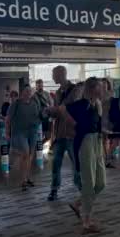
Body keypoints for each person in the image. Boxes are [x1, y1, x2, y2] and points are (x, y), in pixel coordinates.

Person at [63, 77, 107, 234]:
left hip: (97, 141)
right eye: (101, 88)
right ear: (93, 89)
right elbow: (64, 109)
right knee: (89, 182)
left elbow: (98, 124)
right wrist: (74, 125)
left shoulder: (98, 104)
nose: (104, 90)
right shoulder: (82, 104)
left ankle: (78, 204)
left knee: (101, 183)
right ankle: (86, 221)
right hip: (85, 142)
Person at [46, 65, 80, 201]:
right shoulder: (58, 92)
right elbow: (58, 112)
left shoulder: (76, 90)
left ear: (61, 74)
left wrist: (53, 109)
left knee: (76, 164)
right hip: (60, 135)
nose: (53, 77)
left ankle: (82, 188)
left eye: (54, 75)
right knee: (55, 164)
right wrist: (51, 112)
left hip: (72, 133)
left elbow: (66, 107)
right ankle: (54, 190)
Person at [6, 84, 41, 191]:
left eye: (29, 91)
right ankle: (23, 181)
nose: (28, 93)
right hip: (20, 132)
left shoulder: (34, 103)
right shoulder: (16, 104)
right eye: (26, 91)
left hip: (33, 132)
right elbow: (8, 119)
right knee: (25, 153)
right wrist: (7, 133)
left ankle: (27, 177)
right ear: (22, 92)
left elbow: (38, 116)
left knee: (30, 155)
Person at [33, 79, 53, 143]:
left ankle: (39, 146)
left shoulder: (46, 94)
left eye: (41, 86)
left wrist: (48, 110)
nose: (40, 87)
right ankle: (38, 149)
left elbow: (51, 104)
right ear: (36, 86)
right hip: (37, 118)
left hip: (46, 118)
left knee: (48, 136)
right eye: (38, 86)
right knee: (38, 136)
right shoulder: (33, 96)